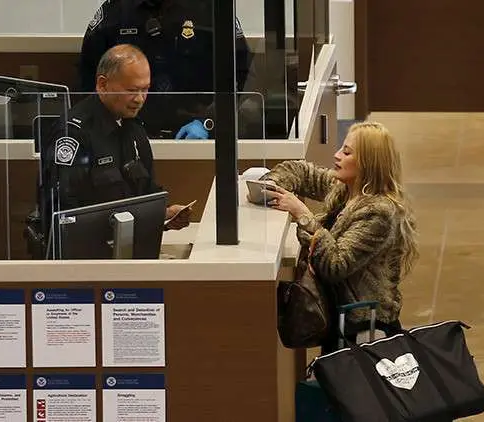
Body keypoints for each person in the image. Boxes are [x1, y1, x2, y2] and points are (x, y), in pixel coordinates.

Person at [252, 122, 419, 353]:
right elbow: (301, 172)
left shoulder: (379, 212)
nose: (337, 155)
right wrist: (272, 185)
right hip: (341, 321)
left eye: (347, 152)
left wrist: (302, 214)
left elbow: (335, 264)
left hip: (365, 330)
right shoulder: (347, 189)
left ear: (367, 163)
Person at [31, 43, 191, 257]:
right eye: (132, 90)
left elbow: (147, 192)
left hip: (131, 251)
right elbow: (64, 215)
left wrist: (165, 215)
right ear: (103, 85)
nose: (140, 99)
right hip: (86, 260)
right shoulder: (73, 134)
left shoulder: (133, 128)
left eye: (145, 90)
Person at [79, 0, 254, 140]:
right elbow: (90, 80)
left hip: (200, 140)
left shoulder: (211, 7)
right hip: (128, 136)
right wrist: (108, 126)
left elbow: (239, 74)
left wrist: (208, 121)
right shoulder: (116, 10)